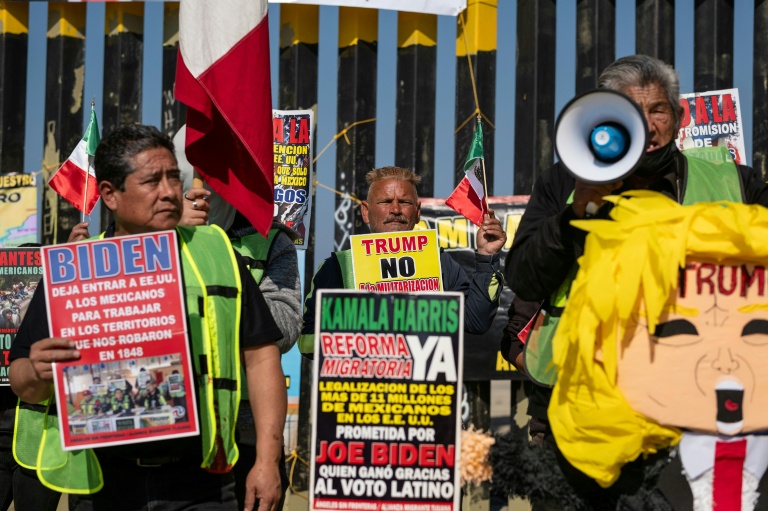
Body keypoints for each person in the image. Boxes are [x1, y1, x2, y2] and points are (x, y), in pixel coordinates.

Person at [504, 54, 768, 508]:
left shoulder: (735, 181)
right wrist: (571, 218)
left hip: (697, 415)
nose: (646, 125)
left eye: (657, 111)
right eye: (630, 110)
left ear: (680, 119)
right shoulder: (564, 181)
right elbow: (524, 276)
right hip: (578, 411)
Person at [9, 124, 286, 511]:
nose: (170, 191)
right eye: (152, 180)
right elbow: (24, 382)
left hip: (202, 484)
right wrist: (37, 372)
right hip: (101, 485)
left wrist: (268, 461)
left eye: (174, 176)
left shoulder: (217, 252)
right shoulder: (73, 269)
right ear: (109, 195)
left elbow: (261, 358)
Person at [174, 127, 303, 509]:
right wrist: (172, 235)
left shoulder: (271, 241)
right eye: (198, 172)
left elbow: (282, 329)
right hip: (175, 432)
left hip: (246, 433)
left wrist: (219, 260)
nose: (207, 188)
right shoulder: (148, 235)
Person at [299, 166, 507, 356]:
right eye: (385, 202)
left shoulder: (440, 263)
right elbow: (306, 343)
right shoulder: (338, 267)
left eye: (405, 202)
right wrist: (360, 335)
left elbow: (476, 321)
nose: (395, 210)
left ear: (417, 213)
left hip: (423, 394)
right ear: (365, 211)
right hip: (361, 392)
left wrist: (486, 256)